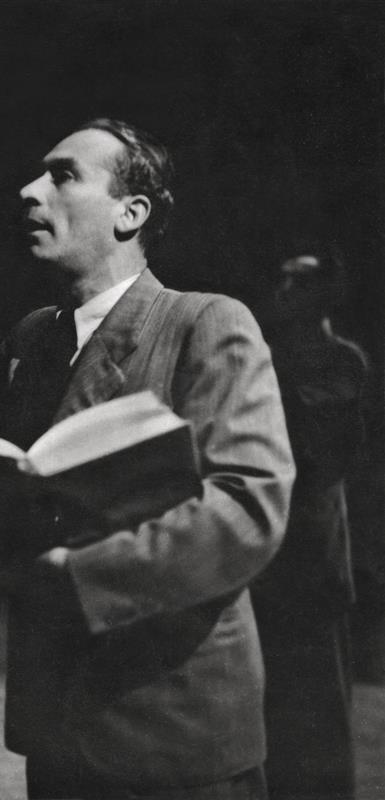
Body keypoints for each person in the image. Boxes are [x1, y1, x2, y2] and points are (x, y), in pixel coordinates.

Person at [0, 119, 294, 800]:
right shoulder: (37, 338)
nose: (29, 190)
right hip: (59, 719)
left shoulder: (205, 322)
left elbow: (247, 506)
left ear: (130, 213)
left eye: (62, 175)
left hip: (173, 727)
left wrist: (80, 578)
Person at [251, 251, 369, 800]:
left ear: (325, 293)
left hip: (312, 546)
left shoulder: (341, 360)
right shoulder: (268, 356)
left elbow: (323, 453)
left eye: (298, 281)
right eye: (281, 278)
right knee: (267, 695)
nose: (283, 289)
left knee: (318, 696)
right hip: (269, 545)